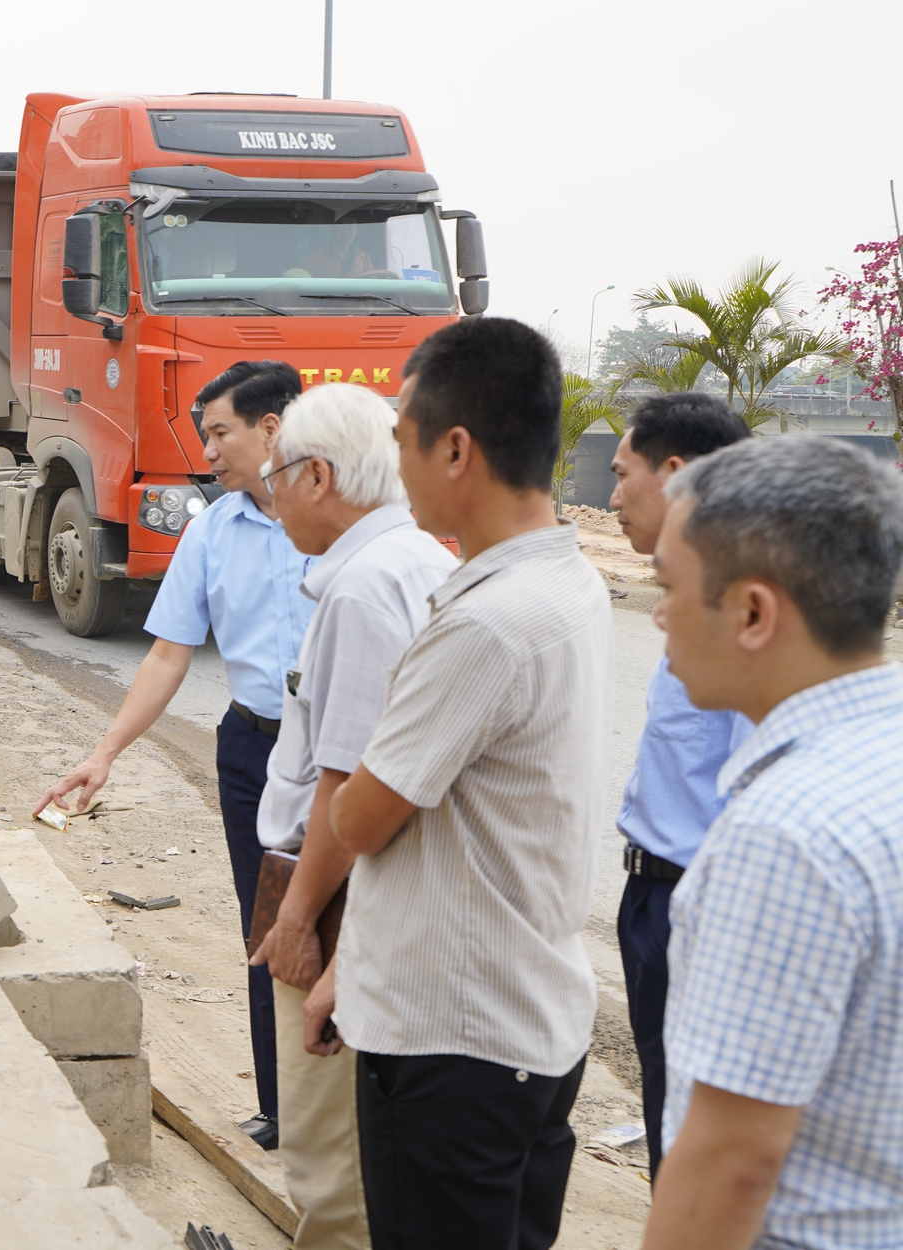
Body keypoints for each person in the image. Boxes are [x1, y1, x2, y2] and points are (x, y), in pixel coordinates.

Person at [311, 317, 612, 1250]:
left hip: (455, 1045)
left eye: (402, 440)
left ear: (454, 449)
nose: (395, 466)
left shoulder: (485, 625)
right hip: (527, 1022)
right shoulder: (569, 582)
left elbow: (360, 818)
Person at [37, 359, 310, 1149]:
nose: (208, 452)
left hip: (342, 756)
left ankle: (355, 1109)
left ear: (271, 428)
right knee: (268, 926)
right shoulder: (213, 530)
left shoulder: (343, 521)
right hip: (254, 752)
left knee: (352, 924)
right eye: (204, 436)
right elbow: (167, 653)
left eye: (219, 433)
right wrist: (106, 754)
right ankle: (283, 1108)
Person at [643, 436, 903, 1250]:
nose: (657, 614)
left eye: (668, 587)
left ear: (753, 613)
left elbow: (731, 1163)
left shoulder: (783, 833)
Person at [246, 384, 457, 1247]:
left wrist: (298, 923)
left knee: (330, 1163)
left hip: (337, 897)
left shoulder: (364, 590)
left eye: (276, 479)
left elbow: (347, 785)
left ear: (318, 476)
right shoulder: (418, 563)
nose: (272, 499)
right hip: (385, 898)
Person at [605, 393, 751, 1175]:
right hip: (653, 895)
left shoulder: (741, 609)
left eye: (621, 474)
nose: (611, 497)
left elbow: (758, 797)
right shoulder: (690, 593)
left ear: (675, 472)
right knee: (668, 1117)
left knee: (697, 1144)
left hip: (698, 906)